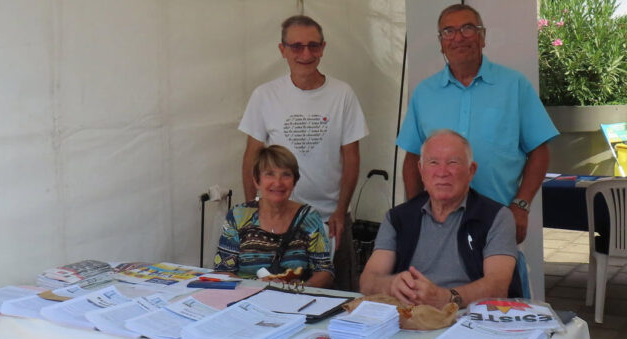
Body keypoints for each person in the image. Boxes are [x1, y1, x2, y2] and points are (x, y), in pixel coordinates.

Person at [397, 4, 559, 244]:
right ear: (441, 43)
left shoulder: (514, 85)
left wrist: (521, 206)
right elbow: (412, 158)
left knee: (499, 281)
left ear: (483, 37)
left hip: (498, 218)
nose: (458, 37)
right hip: (438, 220)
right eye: (448, 32)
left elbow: (539, 151)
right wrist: (414, 209)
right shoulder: (424, 93)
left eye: (468, 28)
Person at [239, 15, 368, 291]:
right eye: (296, 46)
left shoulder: (342, 94)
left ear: (323, 48)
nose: (306, 54)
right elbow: (252, 155)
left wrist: (341, 211)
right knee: (274, 294)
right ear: (282, 50)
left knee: (338, 297)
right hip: (277, 220)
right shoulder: (265, 95)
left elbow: (351, 158)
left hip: (330, 220)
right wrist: (252, 211)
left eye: (313, 46)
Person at [359, 130, 518, 308]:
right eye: (433, 162)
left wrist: (445, 298)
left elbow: (498, 286)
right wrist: (391, 285)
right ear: (421, 170)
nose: (442, 172)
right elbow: (367, 281)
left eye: (453, 162)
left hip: (469, 321)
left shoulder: (496, 217)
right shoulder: (398, 218)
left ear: (471, 170)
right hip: (411, 320)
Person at [215, 145, 334, 288]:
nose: (278, 183)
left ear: (294, 181)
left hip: (294, 300)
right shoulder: (238, 215)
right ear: (256, 180)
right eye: (269, 174)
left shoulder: (309, 217)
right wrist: (255, 286)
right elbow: (222, 271)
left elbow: (325, 271)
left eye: (286, 175)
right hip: (247, 300)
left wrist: (302, 286)